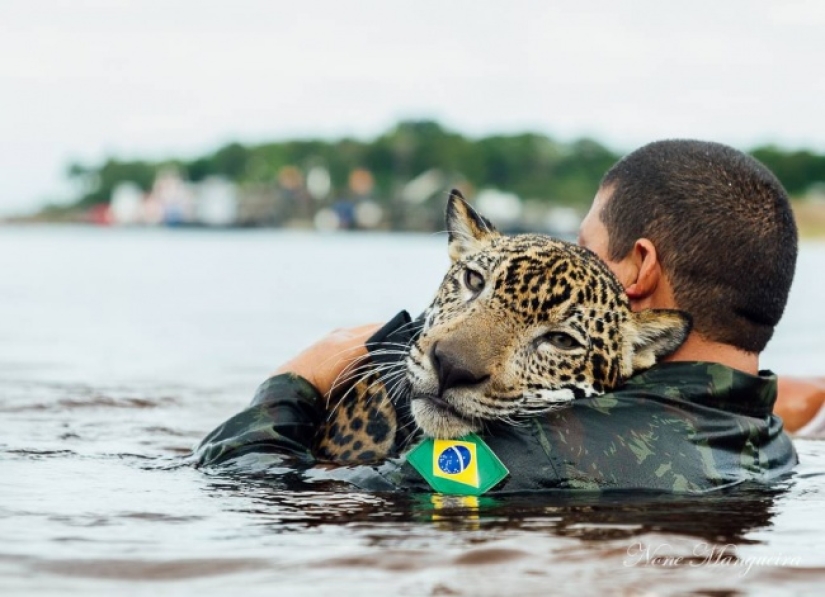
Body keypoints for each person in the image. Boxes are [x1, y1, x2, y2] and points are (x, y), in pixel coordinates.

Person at [196, 139, 800, 492]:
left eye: (584, 250)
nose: (564, 259)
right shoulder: (770, 443)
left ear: (638, 271)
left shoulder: (537, 457)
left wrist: (301, 377)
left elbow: (250, 488)